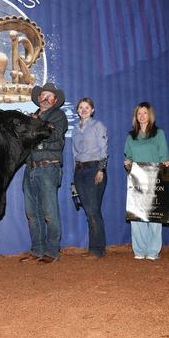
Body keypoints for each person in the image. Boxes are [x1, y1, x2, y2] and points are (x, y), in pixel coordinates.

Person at [20, 82, 68, 264]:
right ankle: (37, 249)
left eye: (50, 96)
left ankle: (53, 251)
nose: (46, 98)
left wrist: (35, 126)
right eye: (43, 95)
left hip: (48, 167)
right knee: (32, 213)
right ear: (39, 98)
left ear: (55, 100)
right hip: (30, 167)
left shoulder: (58, 116)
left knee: (49, 212)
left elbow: (53, 135)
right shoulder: (32, 118)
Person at [123, 102, 169, 260]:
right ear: (135, 116)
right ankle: (139, 250)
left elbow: (164, 156)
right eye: (139, 113)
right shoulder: (131, 136)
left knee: (155, 215)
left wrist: (165, 164)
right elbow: (128, 157)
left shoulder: (159, 134)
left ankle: (153, 251)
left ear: (150, 115)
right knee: (137, 216)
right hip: (137, 180)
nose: (142, 116)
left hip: (155, 179)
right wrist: (127, 163)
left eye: (145, 113)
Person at [71, 97, 108, 259]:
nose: (84, 110)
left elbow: (104, 149)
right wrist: (74, 177)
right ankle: (96, 247)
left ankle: (97, 249)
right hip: (79, 171)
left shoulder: (98, 126)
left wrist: (101, 169)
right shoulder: (75, 129)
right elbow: (74, 153)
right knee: (89, 211)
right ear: (77, 110)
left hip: (94, 169)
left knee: (93, 210)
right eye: (81, 107)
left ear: (92, 110)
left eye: (87, 107)